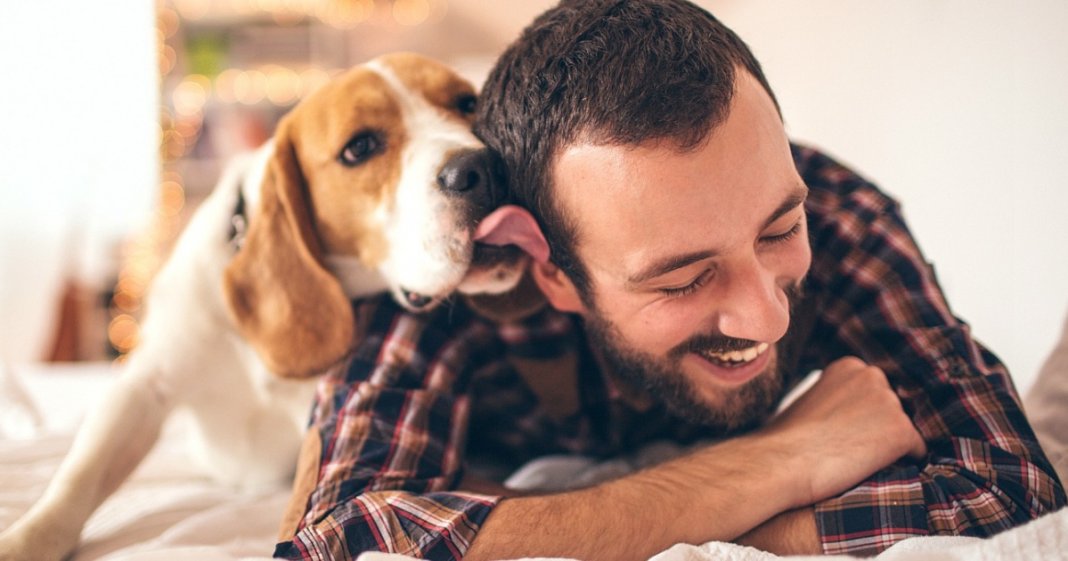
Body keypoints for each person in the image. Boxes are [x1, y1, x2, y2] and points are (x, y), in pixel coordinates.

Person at [273, 1, 1065, 559]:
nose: (766, 316)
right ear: (549, 270)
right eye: (682, 279)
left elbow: (1008, 487)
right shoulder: (456, 271)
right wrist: (779, 461)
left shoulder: (839, 211)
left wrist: (563, 529)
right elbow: (337, 543)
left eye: (780, 230)